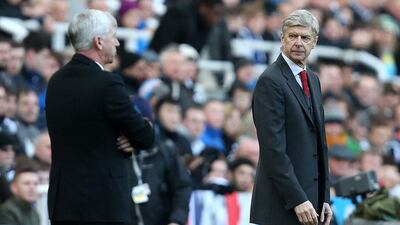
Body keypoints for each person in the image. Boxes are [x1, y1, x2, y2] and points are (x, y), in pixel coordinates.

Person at [45, 9, 155, 225]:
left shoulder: (56, 81)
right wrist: (142, 128)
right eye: (113, 36)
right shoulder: (107, 83)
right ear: (99, 41)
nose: (118, 43)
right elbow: (144, 137)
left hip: (64, 201)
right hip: (102, 203)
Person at [251, 9, 332, 225]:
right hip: (281, 207)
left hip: (312, 205)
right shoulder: (270, 81)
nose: (298, 42)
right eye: (292, 36)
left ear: (314, 42)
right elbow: (272, 149)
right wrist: (297, 199)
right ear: (282, 39)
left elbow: (320, 143)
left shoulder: (313, 80)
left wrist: (324, 197)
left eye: (304, 37)